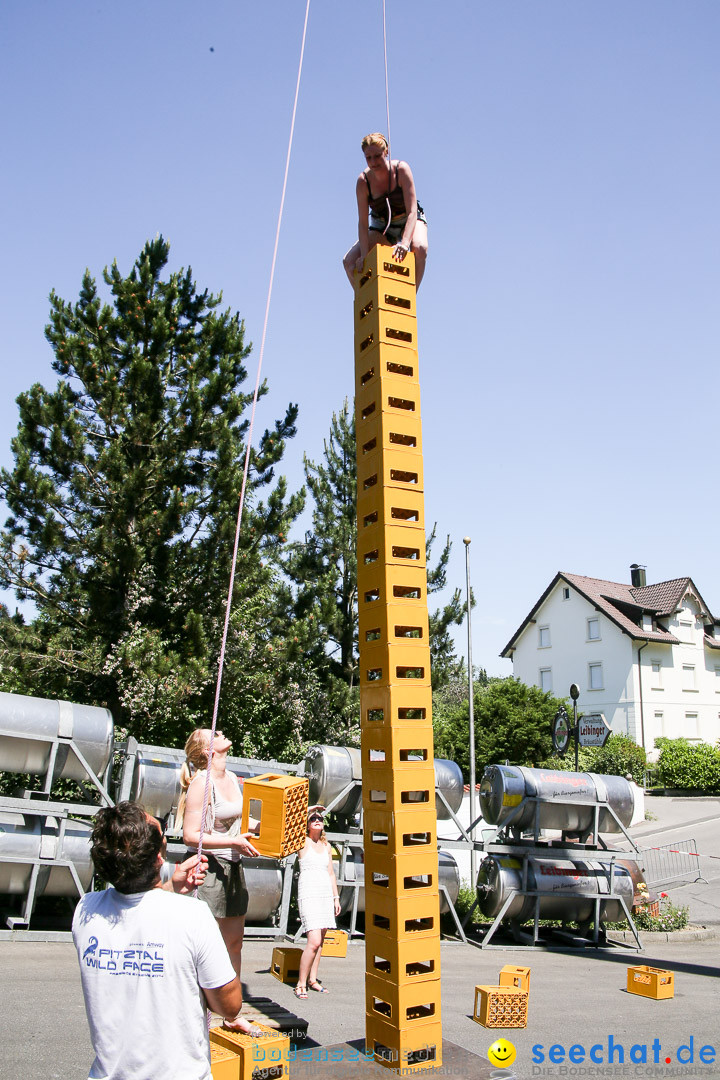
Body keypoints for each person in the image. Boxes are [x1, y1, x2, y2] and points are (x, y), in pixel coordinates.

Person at [72, 801, 245, 1080]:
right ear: (158, 859)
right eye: (163, 836)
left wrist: (168, 887)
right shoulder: (192, 915)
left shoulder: (86, 911)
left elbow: (133, 910)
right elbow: (230, 1005)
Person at [177, 727, 261, 1035]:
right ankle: (195, 1012)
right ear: (207, 749)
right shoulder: (202, 783)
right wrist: (233, 844)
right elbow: (190, 835)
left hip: (233, 868)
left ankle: (232, 1013)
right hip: (210, 868)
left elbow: (241, 821)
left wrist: (276, 824)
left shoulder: (232, 778)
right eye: (214, 732)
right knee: (205, 947)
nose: (222, 732)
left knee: (234, 944)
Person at [343, 132, 428, 289]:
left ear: (386, 152)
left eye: (377, 156)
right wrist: (363, 255)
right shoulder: (363, 181)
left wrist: (404, 243)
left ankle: (410, 296)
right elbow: (362, 223)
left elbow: (412, 211)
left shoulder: (401, 169)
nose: (373, 162)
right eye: (369, 158)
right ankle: (370, 299)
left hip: (409, 219)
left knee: (420, 248)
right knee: (349, 262)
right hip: (383, 227)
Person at [295, 805, 341, 999]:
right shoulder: (302, 842)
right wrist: (308, 809)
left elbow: (330, 873)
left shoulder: (326, 846)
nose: (317, 821)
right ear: (307, 823)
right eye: (313, 818)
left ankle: (313, 979)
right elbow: (293, 823)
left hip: (324, 893)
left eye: (320, 819)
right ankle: (300, 983)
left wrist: (335, 897)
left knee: (321, 940)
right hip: (309, 893)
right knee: (313, 941)